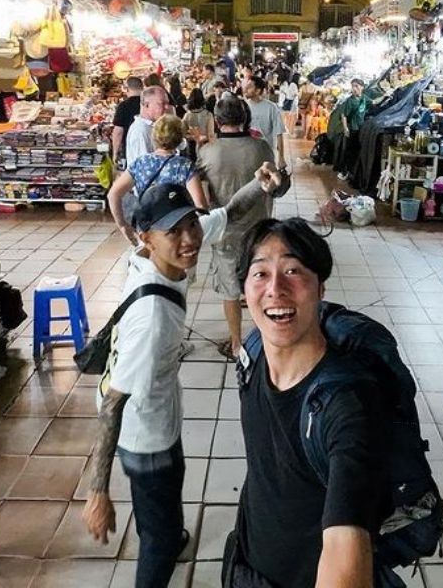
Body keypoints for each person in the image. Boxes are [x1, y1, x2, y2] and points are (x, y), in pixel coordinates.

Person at [82, 166, 289, 588]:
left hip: (153, 405)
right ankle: (163, 543)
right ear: (146, 237)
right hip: (146, 434)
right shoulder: (153, 319)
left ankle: (169, 531)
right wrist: (97, 492)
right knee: (157, 526)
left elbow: (228, 212)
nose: (189, 239)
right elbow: (113, 405)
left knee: (162, 500)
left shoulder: (149, 255)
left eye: (190, 224)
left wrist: (258, 184)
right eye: (172, 232)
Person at [224, 217, 387, 588]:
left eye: (293, 270)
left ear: (320, 287)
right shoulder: (253, 355)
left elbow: (345, 544)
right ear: (245, 290)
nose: (275, 289)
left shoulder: (345, 403)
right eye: (260, 273)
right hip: (248, 562)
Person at [197, 95, 279, 359]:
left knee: (231, 291)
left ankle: (236, 343)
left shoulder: (207, 152)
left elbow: (203, 194)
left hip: (226, 233)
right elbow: (276, 187)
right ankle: (264, 340)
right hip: (260, 231)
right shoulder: (262, 149)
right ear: (245, 118)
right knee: (262, 287)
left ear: (217, 122)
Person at [109, 114, 207, 246]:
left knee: (148, 264)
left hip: (147, 229)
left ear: (154, 136)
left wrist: (122, 225)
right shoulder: (184, 166)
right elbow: (200, 205)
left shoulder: (140, 163)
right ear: (180, 139)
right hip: (176, 231)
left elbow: (113, 194)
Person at [125, 85, 174, 168]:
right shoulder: (140, 131)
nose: (167, 107)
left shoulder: (152, 127)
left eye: (167, 103)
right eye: (162, 103)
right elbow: (145, 168)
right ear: (147, 105)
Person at [243, 75, 286, 169]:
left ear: (258, 91)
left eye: (249, 87)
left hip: (266, 155)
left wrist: (281, 158)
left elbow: (279, 133)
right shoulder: (243, 106)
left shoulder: (271, 108)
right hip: (247, 154)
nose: (245, 89)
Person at [331, 79, 369, 181]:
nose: (354, 89)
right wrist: (345, 128)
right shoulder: (350, 101)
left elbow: (374, 102)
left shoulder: (364, 98)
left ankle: (351, 171)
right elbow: (344, 115)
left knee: (356, 151)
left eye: (356, 86)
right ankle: (344, 171)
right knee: (349, 151)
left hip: (360, 129)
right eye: (353, 86)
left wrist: (386, 97)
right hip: (352, 129)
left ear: (362, 87)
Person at [112, 76, 144, 166]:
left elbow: (118, 132)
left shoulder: (123, 106)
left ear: (127, 89)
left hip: (130, 148)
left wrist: (115, 153)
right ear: (142, 87)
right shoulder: (147, 103)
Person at [182, 88, 215, 161]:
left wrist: (193, 137)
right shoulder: (208, 115)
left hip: (191, 147)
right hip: (205, 146)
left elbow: (183, 134)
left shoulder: (187, 116)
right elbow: (210, 134)